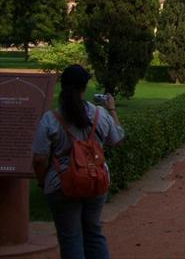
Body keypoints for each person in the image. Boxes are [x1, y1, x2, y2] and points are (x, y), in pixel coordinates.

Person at [32, 64, 124, 259]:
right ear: (85, 86)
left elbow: (39, 158)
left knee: (70, 237)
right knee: (93, 233)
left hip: (62, 183)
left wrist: (42, 181)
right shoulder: (100, 114)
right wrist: (112, 109)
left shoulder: (51, 119)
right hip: (95, 179)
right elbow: (117, 140)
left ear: (63, 86)